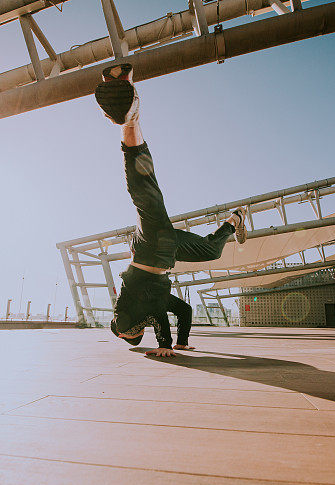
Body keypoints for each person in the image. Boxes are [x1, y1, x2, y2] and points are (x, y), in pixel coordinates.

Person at [95, 63, 247, 357]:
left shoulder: (127, 316)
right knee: (210, 251)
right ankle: (234, 220)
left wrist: (162, 345)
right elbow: (177, 311)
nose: (140, 330)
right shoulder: (149, 306)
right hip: (167, 252)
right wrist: (179, 342)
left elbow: (138, 317)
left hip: (149, 250)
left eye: (136, 333)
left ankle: (130, 118)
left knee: (144, 192)